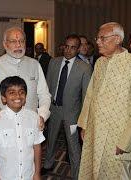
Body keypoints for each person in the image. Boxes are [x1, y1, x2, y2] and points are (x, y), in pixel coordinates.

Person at [77, 22, 131, 179]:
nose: (97, 41)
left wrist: (126, 141)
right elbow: (90, 95)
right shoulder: (99, 62)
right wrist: (85, 125)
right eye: (97, 38)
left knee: (116, 173)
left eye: (102, 38)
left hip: (117, 136)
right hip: (94, 131)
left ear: (117, 39)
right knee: (94, 172)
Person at [42, 34, 92, 179]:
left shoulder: (84, 68)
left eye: (73, 47)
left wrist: (83, 120)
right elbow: (47, 86)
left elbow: (86, 96)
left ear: (78, 49)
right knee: (51, 140)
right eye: (66, 46)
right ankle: (48, 164)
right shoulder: (54, 62)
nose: (68, 50)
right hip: (54, 109)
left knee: (73, 146)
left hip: (72, 114)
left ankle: (77, 175)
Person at [0, 27, 51, 130]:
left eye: (21, 41)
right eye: (13, 41)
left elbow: (44, 94)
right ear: (5, 44)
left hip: (30, 124)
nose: (18, 45)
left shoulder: (35, 64)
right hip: (3, 125)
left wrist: (42, 115)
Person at [0, 76, 45, 180]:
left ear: (26, 96)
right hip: (5, 175)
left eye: (21, 92)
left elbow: (37, 147)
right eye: (12, 92)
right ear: (4, 98)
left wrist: (36, 173)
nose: (18, 95)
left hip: (28, 175)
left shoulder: (34, 118)